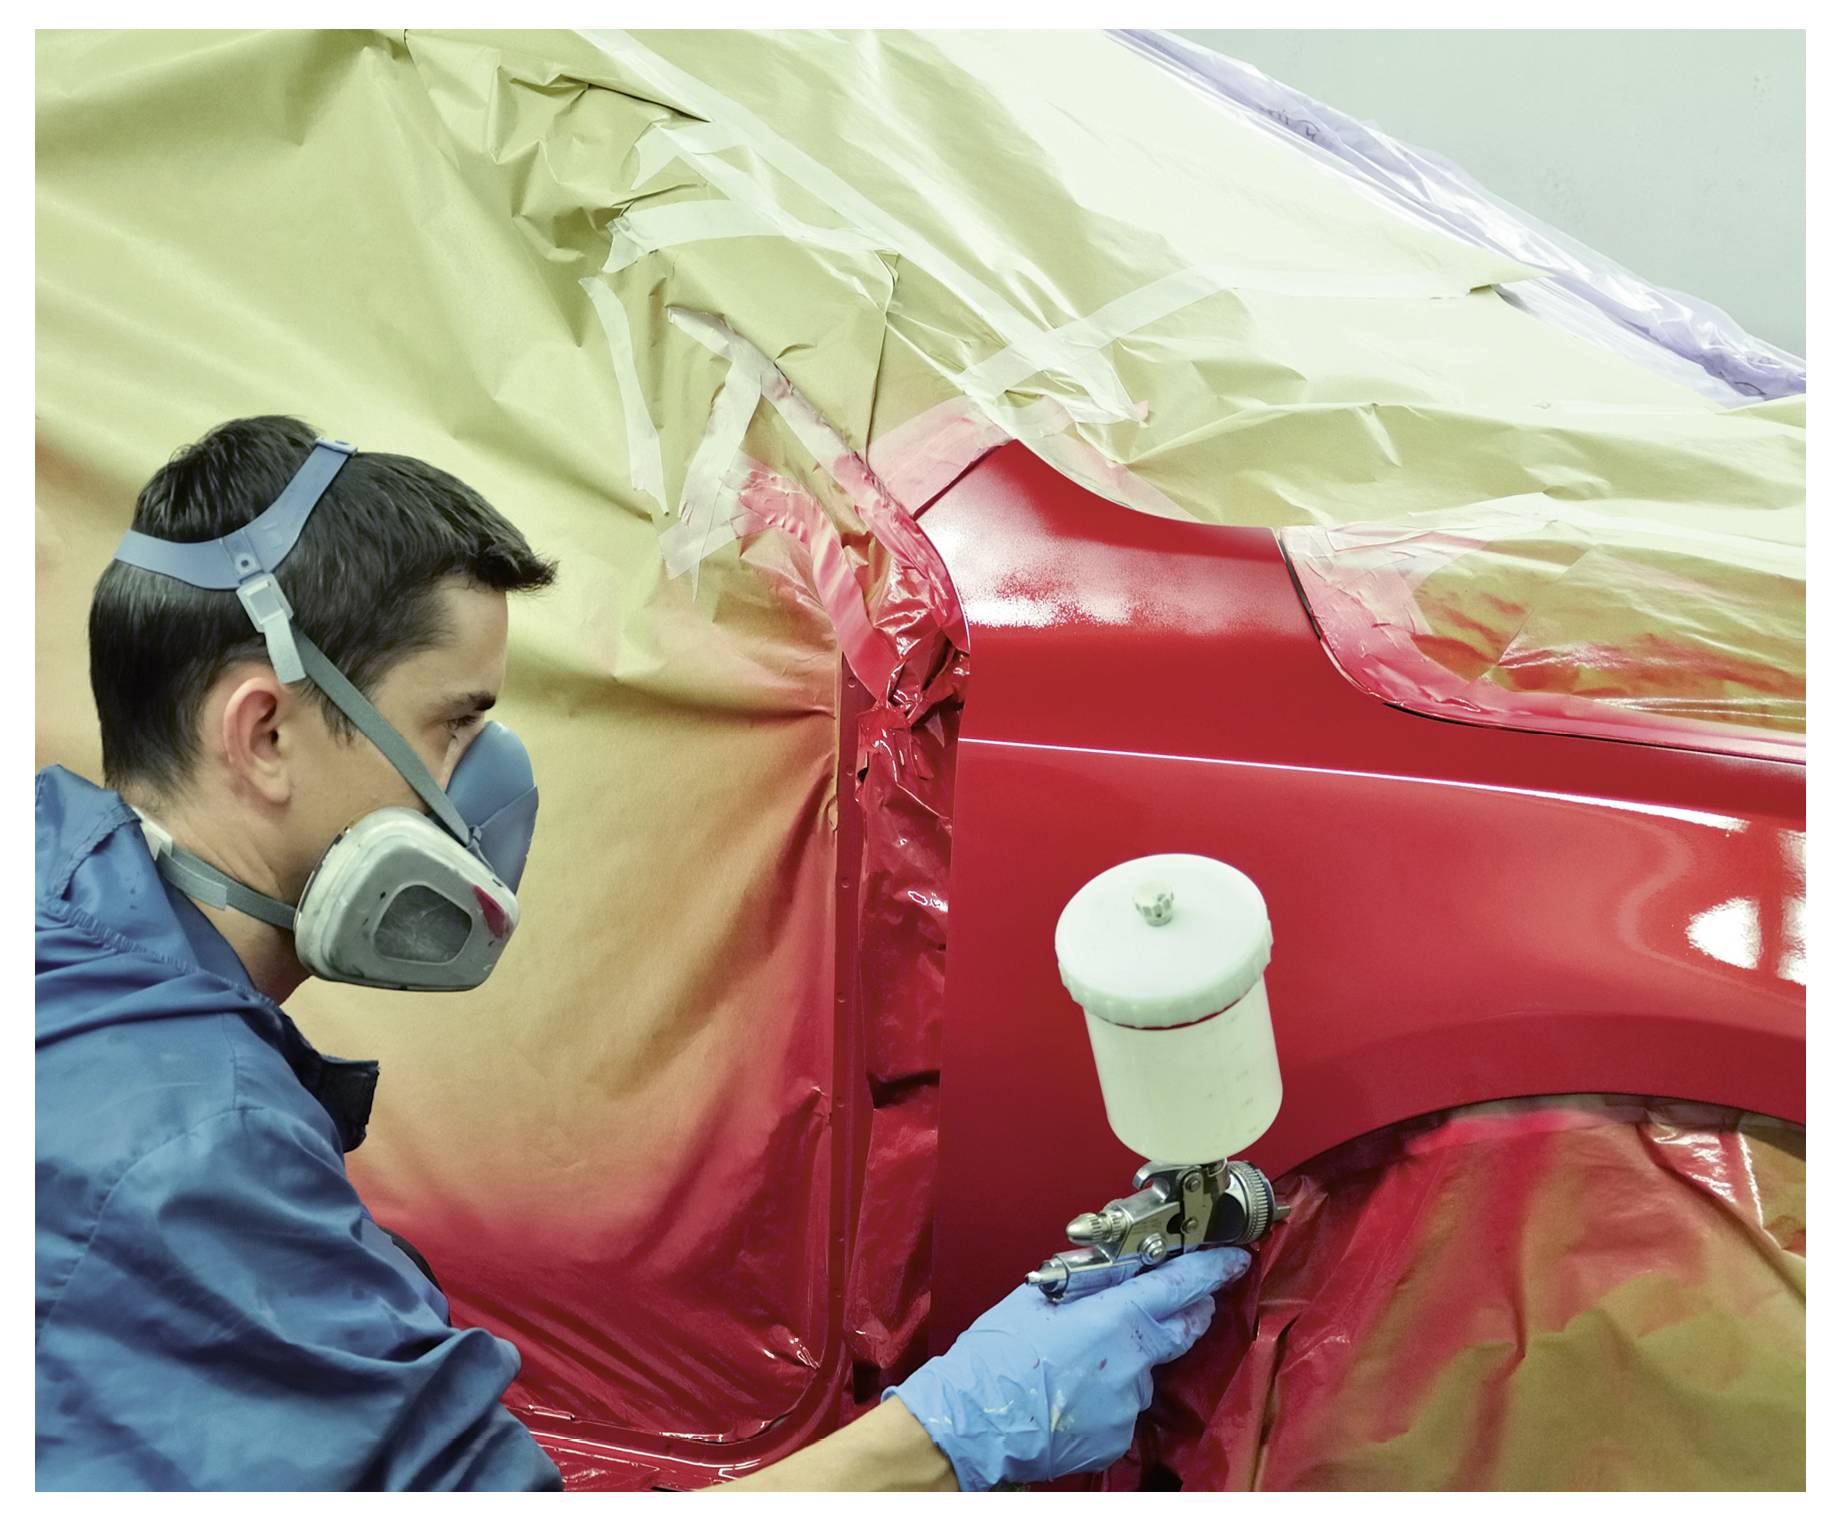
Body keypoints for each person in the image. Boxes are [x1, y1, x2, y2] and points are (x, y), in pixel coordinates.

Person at [35, 417, 1249, 1491]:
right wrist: (943, 1438)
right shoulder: (191, 1156)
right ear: (262, 731)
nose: (487, 795)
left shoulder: (55, 896)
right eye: (454, 726)